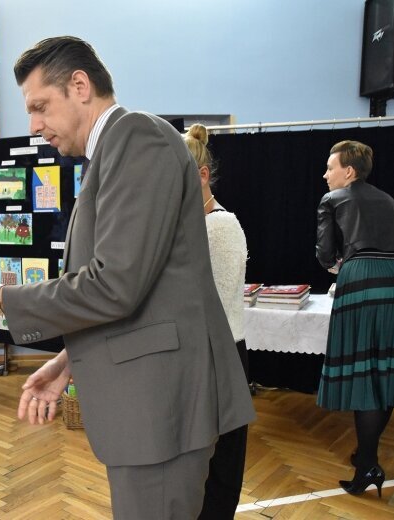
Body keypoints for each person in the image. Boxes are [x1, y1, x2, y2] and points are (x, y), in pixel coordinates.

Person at [0, 36, 255, 519]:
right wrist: (67, 363)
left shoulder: (137, 139)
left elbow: (115, 285)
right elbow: (147, 292)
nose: (34, 125)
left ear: (80, 86)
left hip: (163, 408)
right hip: (150, 405)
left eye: (40, 106)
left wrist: (1, 297)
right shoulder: (111, 153)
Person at [316, 140, 394, 498]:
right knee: (387, 371)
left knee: (364, 373)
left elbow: (325, 254)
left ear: (349, 171)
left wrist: (341, 269)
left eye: (330, 168)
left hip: (361, 279)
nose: (326, 174)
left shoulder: (333, 199)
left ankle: (367, 465)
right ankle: (366, 457)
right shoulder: (391, 201)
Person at [185, 124, 250, 519]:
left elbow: (213, 308)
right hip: (202, 354)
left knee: (220, 470)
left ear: (202, 175)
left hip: (220, 355)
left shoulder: (219, 226)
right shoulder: (193, 225)